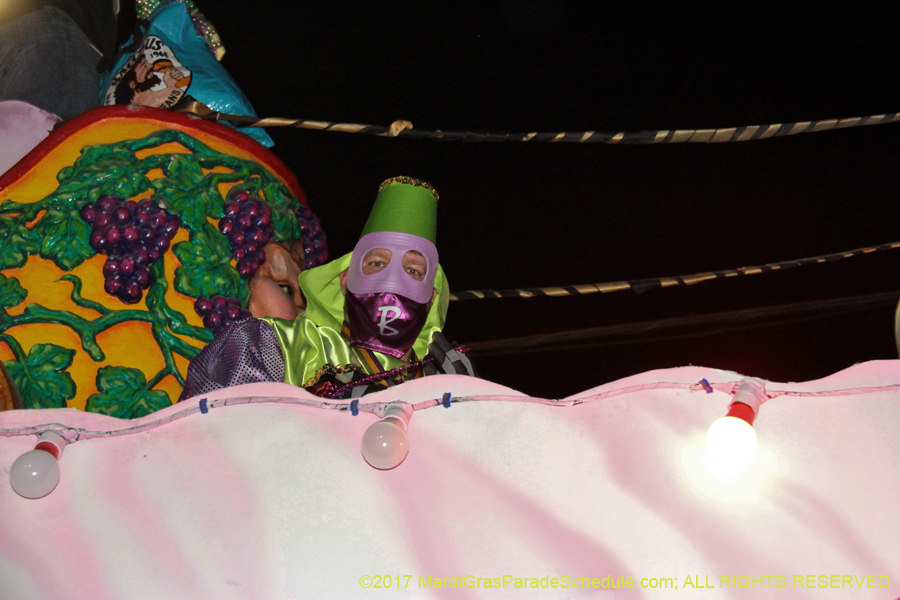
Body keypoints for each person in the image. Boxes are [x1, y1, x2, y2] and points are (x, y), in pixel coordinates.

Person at [180, 176, 474, 400]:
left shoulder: (437, 385)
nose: (391, 281)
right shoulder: (272, 346)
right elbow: (213, 437)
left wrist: (463, 413)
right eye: (375, 264)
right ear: (345, 281)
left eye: (412, 270)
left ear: (431, 297)